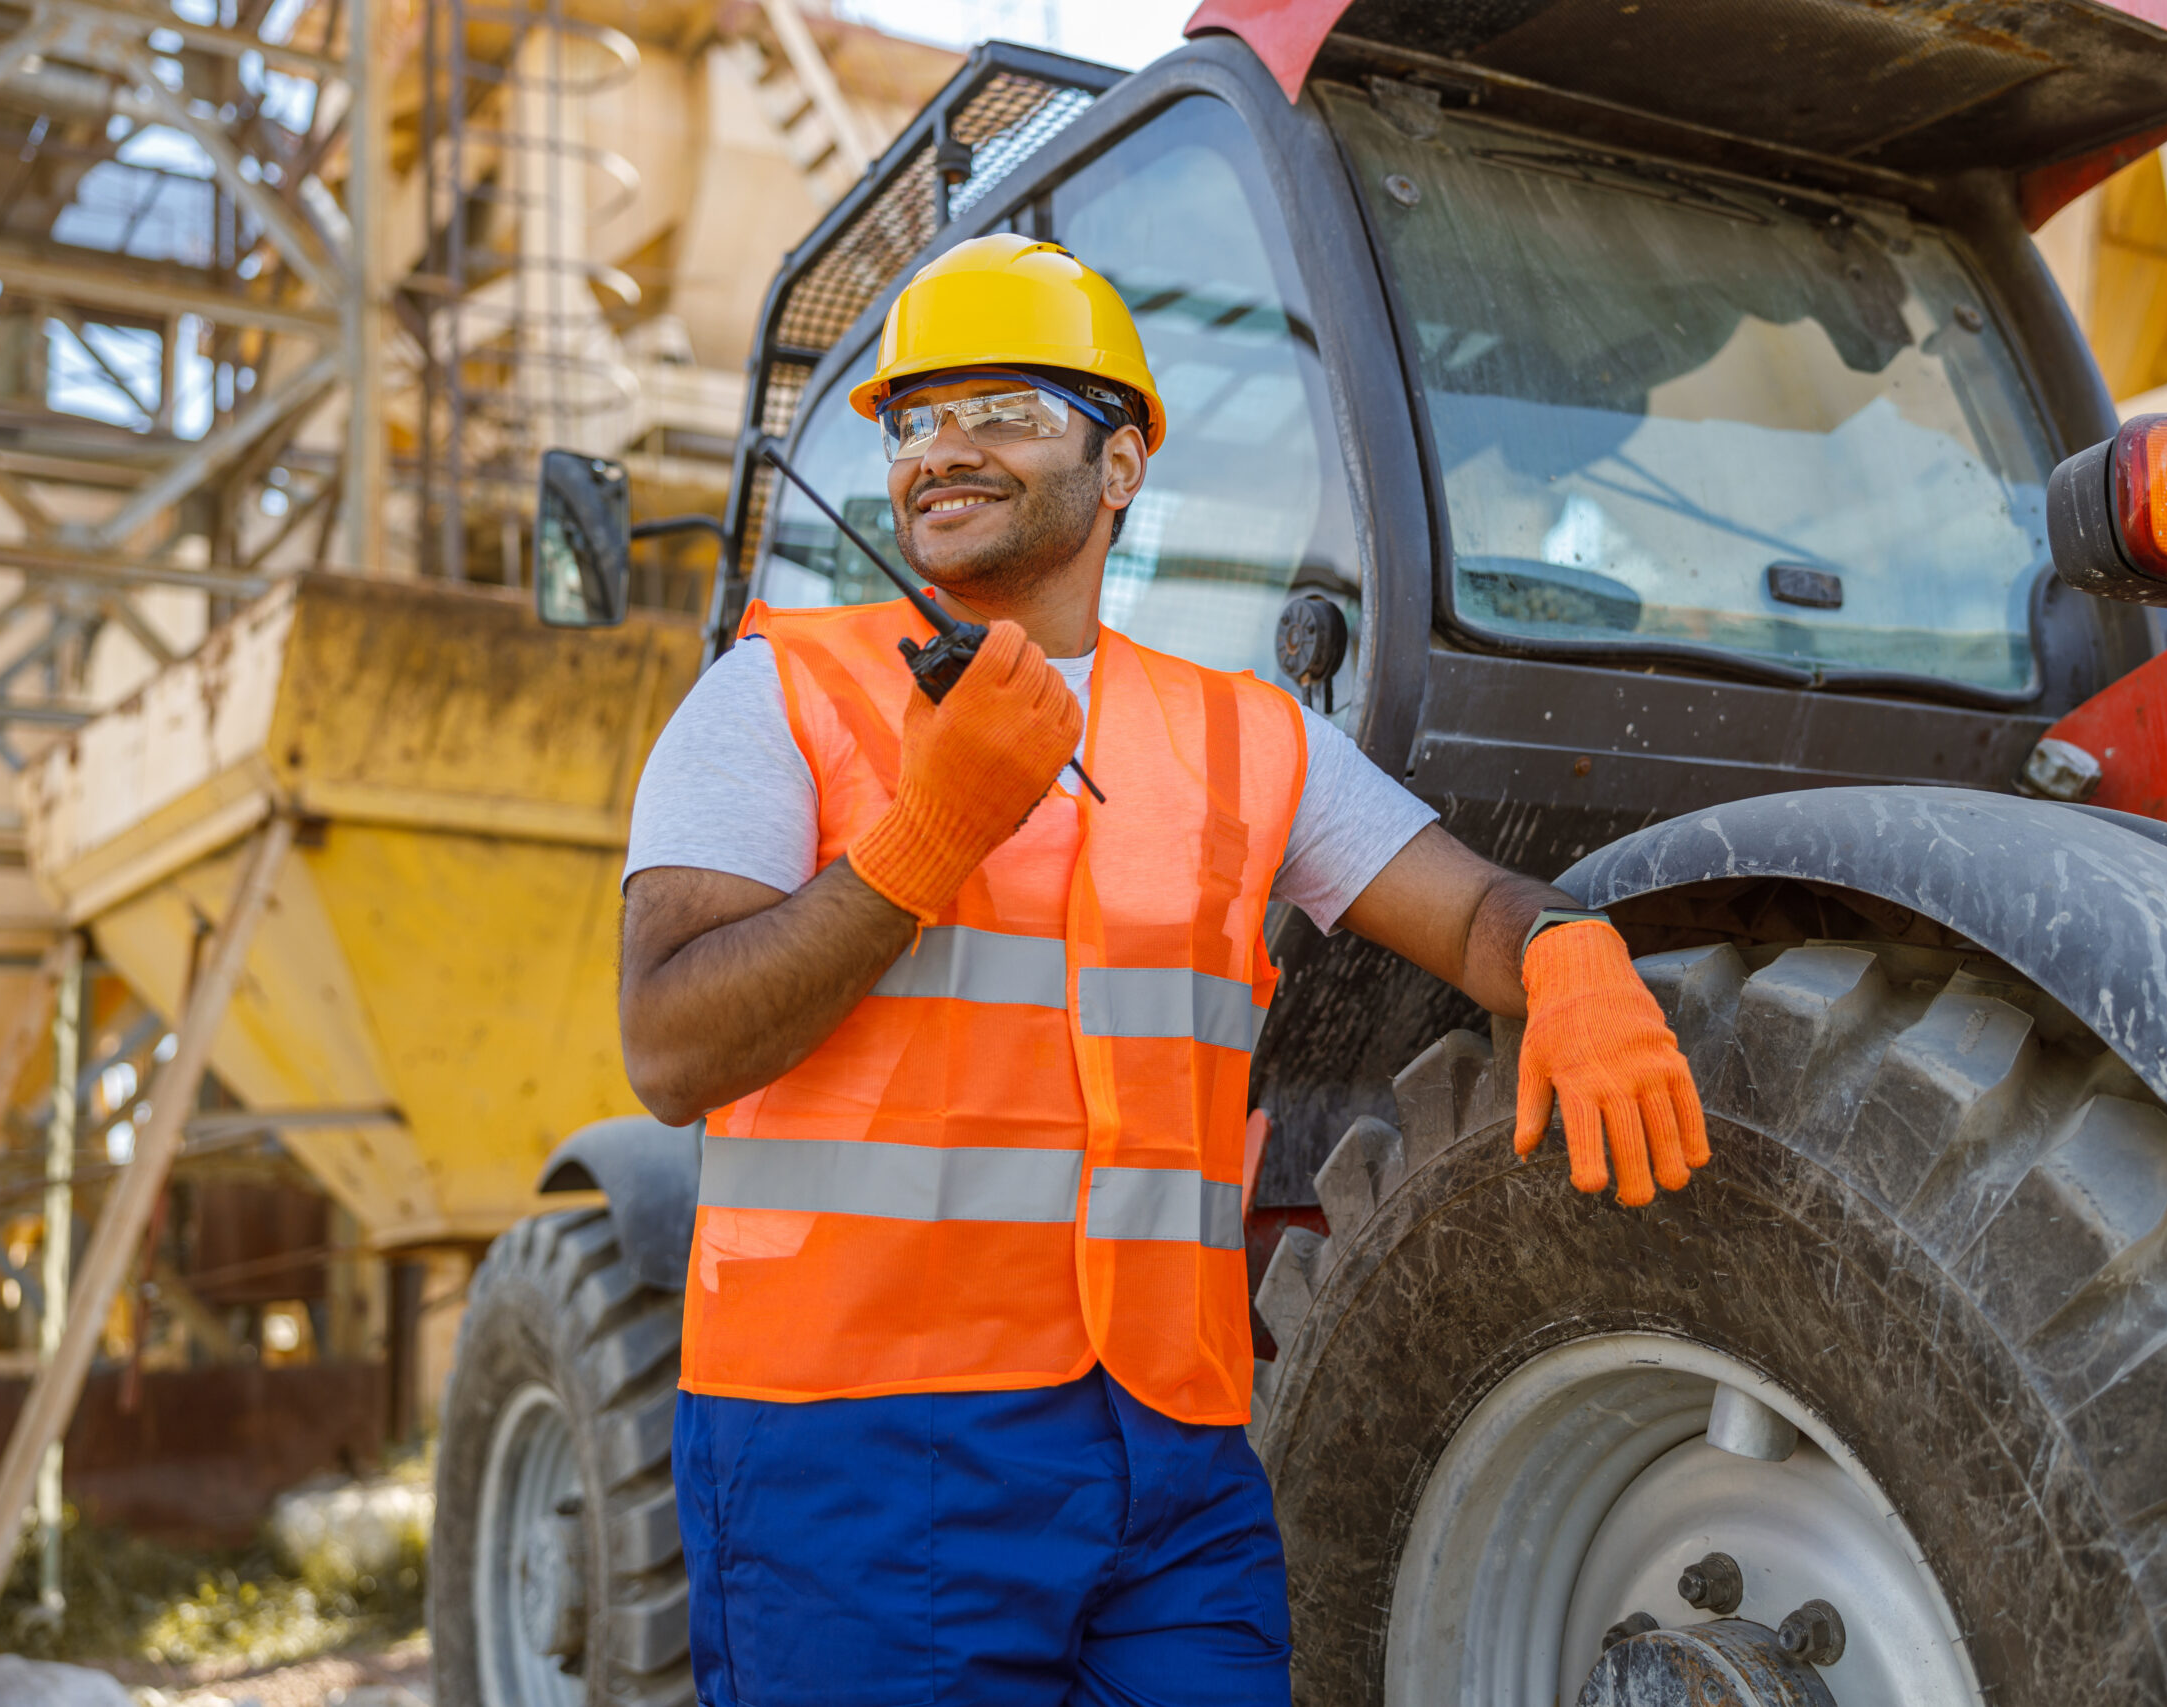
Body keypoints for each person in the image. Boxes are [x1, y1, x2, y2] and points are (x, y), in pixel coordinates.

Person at [616, 233, 1709, 1707]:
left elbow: (1469, 916)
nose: (944, 450)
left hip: (1172, 1465)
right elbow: (672, 1049)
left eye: (999, 409)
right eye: (916, 420)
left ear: (1119, 464)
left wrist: (1569, 954)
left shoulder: (1245, 738)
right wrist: (928, 831)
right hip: (857, 1457)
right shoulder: (777, 696)